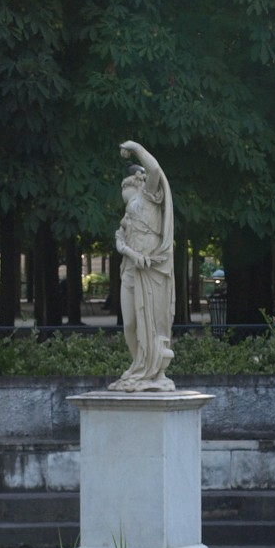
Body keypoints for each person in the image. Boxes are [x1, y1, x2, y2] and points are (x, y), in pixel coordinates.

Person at [109, 140, 177, 391]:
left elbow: (156, 169)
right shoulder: (129, 211)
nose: (127, 208)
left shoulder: (150, 195)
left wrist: (135, 148)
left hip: (151, 268)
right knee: (129, 323)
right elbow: (121, 236)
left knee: (153, 323)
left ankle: (153, 371)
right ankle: (139, 365)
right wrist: (125, 247)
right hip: (130, 267)